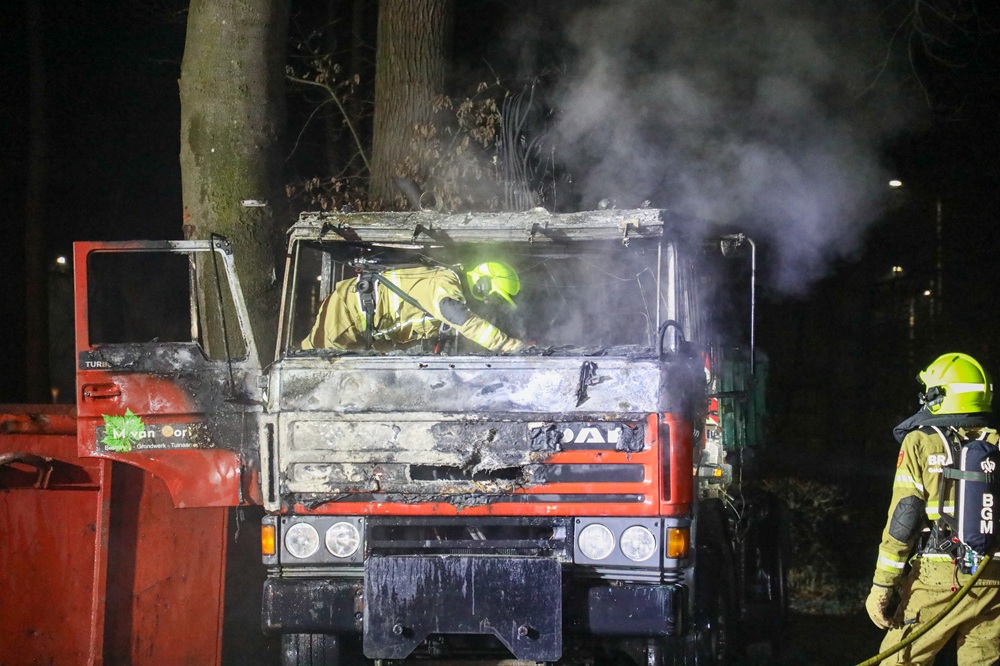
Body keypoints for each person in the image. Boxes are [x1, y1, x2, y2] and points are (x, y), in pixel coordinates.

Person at [865, 352, 1000, 665]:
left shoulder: (920, 442)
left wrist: (883, 585)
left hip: (940, 575)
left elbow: (904, 519)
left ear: (941, 395)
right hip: (994, 576)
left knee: (900, 660)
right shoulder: (996, 440)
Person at [301, 261, 526, 353]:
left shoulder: (448, 288)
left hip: (363, 329)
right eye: (492, 297)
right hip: (345, 315)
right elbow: (455, 313)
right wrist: (509, 346)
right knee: (308, 368)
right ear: (483, 284)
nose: (488, 303)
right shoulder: (443, 284)